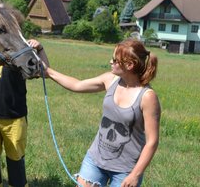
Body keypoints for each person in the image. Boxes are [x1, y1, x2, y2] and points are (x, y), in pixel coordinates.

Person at [45, 38, 161, 187]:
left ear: (129, 65)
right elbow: (77, 85)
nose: (110, 62)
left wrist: (135, 174)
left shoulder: (147, 97)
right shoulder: (110, 80)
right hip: (95, 160)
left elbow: (152, 141)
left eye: (115, 60)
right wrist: (48, 71)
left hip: (126, 170)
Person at [0, 5, 49, 187]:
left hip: (14, 116)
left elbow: (42, 71)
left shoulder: (22, 50)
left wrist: (39, 49)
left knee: (15, 158)